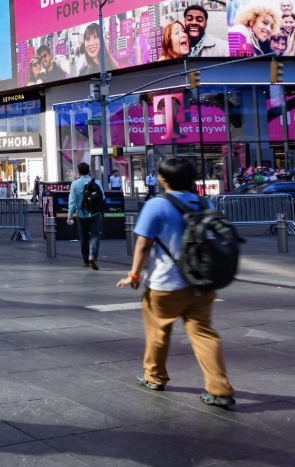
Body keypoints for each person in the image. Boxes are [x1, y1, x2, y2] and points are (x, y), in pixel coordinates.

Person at [118, 156, 235, 408]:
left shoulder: (156, 205)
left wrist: (134, 274)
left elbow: (143, 244)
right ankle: (219, 389)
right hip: (202, 282)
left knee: (157, 331)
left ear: (162, 179)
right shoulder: (203, 202)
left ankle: (154, 376)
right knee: (204, 334)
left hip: (166, 284)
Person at [67, 163, 105, 269]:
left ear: (78, 172)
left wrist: (70, 216)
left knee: (83, 237)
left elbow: (72, 201)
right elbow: (103, 197)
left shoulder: (75, 184)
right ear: (89, 171)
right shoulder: (96, 182)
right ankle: (93, 256)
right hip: (95, 213)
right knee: (95, 236)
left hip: (81, 214)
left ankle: (85, 260)